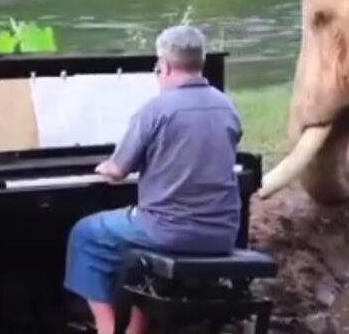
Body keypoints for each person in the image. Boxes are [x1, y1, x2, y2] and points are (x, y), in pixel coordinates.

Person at [64, 25, 243, 334]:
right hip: (223, 231)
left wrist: (104, 167)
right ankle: (135, 328)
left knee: (88, 234)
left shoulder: (156, 109)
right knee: (131, 249)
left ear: (166, 65)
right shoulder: (226, 106)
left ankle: (107, 328)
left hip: (169, 231)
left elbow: (118, 170)